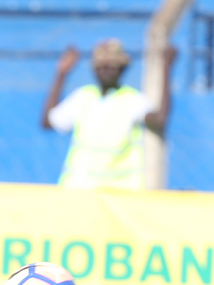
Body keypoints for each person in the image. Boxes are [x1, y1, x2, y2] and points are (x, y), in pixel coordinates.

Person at [41, 39, 177, 190]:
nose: (105, 70)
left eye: (112, 66)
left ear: (122, 69)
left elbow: (159, 119)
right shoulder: (83, 97)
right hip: (78, 189)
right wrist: (61, 73)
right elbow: (48, 122)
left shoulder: (131, 99)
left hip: (119, 193)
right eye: (101, 66)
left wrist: (166, 68)